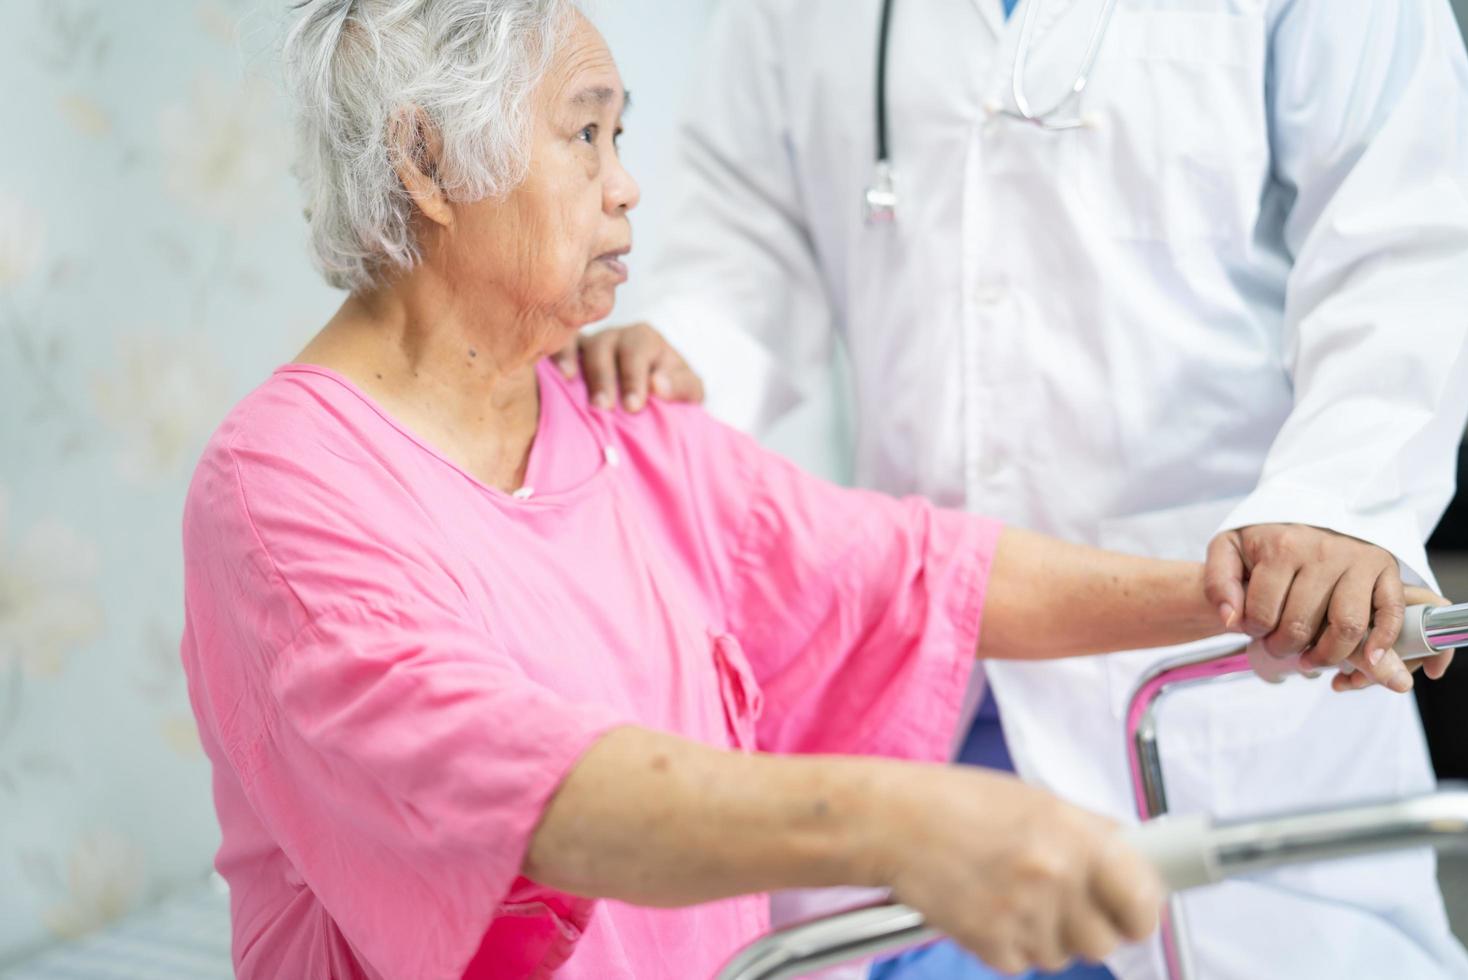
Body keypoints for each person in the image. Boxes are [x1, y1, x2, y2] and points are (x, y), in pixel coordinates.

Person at [169, 2, 1399, 976]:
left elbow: (921, 574)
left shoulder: (613, 432)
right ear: (430, 162)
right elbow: (516, 784)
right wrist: (905, 822)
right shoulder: (284, 492)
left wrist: (1245, 590)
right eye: (587, 132)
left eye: (620, 134)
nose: (626, 183)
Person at [569, 0, 1468, 977]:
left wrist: (1341, 494)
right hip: (932, 683)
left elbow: (1404, 239)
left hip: (1228, 658)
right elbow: (741, 233)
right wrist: (678, 363)